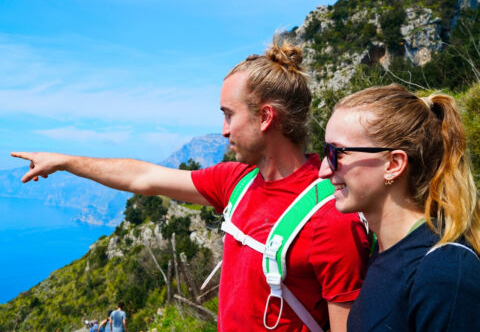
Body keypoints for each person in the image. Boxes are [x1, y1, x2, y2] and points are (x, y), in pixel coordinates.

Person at [11, 42, 370, 331]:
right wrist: (65, 161)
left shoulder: (332, 216)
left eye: (229, 114)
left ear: (265, 117)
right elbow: (144, 178)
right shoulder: (236, 181)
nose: (224, 130)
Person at [318, 84, 480, 331]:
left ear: (394, 164)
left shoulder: (442, 274)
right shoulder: (386, 250)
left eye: (336, 153)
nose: (324, 170)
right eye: (325, 151)